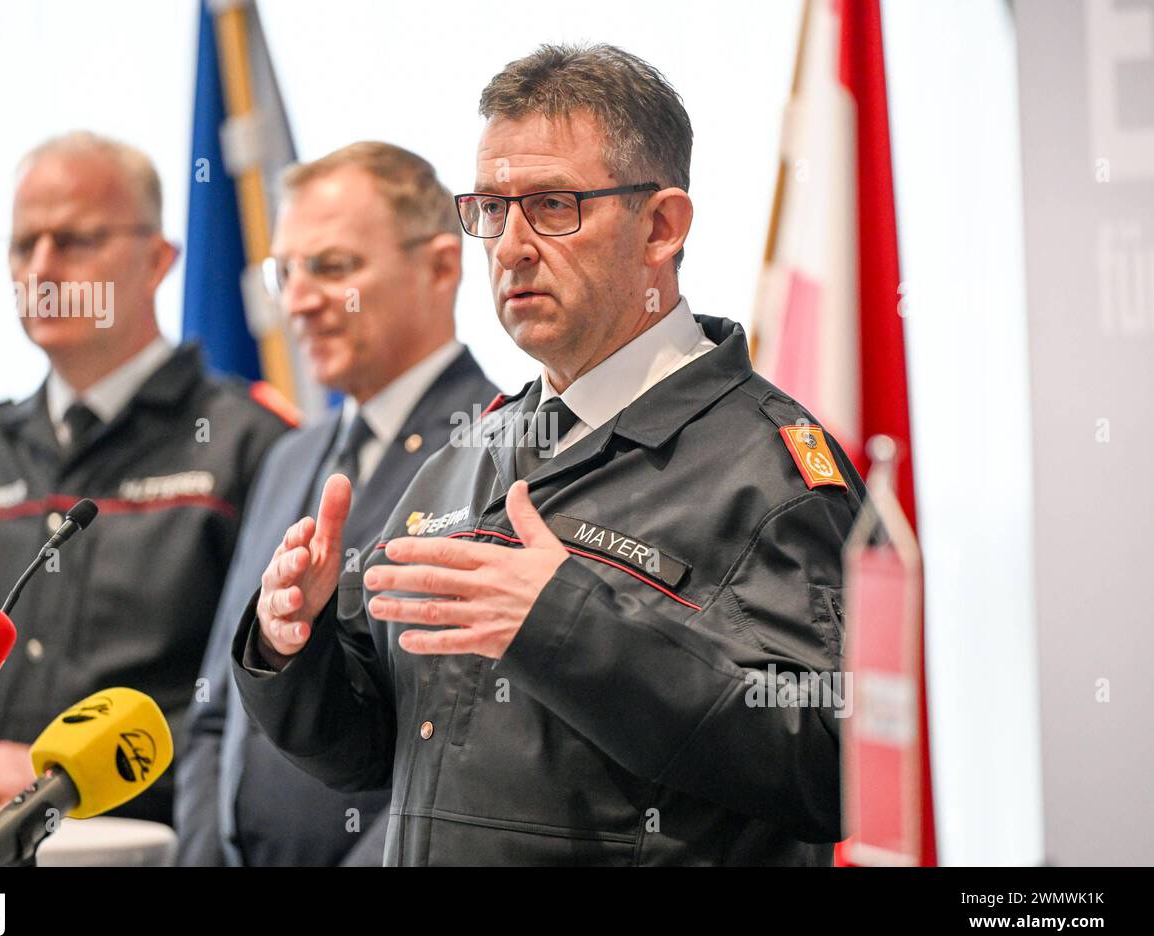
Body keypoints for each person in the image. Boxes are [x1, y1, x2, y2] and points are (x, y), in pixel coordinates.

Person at [233, 44, 867, 865]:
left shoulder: (770, 469)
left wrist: (564, 625)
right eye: (492, 208)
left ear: (662, 227)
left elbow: (833, 763)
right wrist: (294, 645)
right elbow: (370, 754)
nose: (510, 245)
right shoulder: (469, 454)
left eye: (554, 204)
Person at [0, 132, 291, 824]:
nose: (42, 268)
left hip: (158, 849)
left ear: (158, 260)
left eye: (74, 242)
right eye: (23, 245)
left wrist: (54, 778)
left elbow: (276, 703)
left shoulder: (255, 446)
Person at [175, 142, 496, 866]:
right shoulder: (290, 454)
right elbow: (217, 709)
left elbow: (463, 749)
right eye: (286, 271)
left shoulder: (501, 453)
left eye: (334, 267)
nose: (298, 300)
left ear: (442, 266)